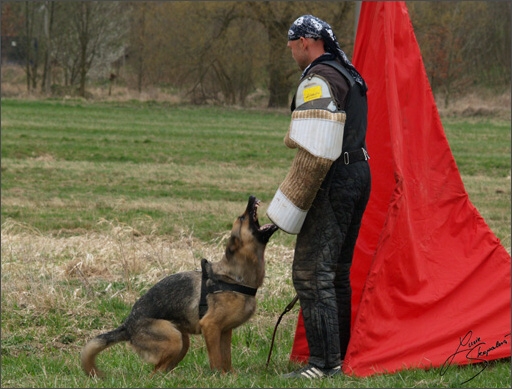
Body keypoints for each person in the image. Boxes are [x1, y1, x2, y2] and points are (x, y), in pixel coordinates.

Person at [266, 15, 371, 379]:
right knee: (337, 272)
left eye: (292, 43)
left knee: (311, 272)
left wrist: (291, 201)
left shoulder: (319, 79)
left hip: (334, 178)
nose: (291, 50)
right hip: (359, 172)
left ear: (308, 41)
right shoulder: (346, 71)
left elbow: (318, 149)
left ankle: (323, 365)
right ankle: (339, 358)